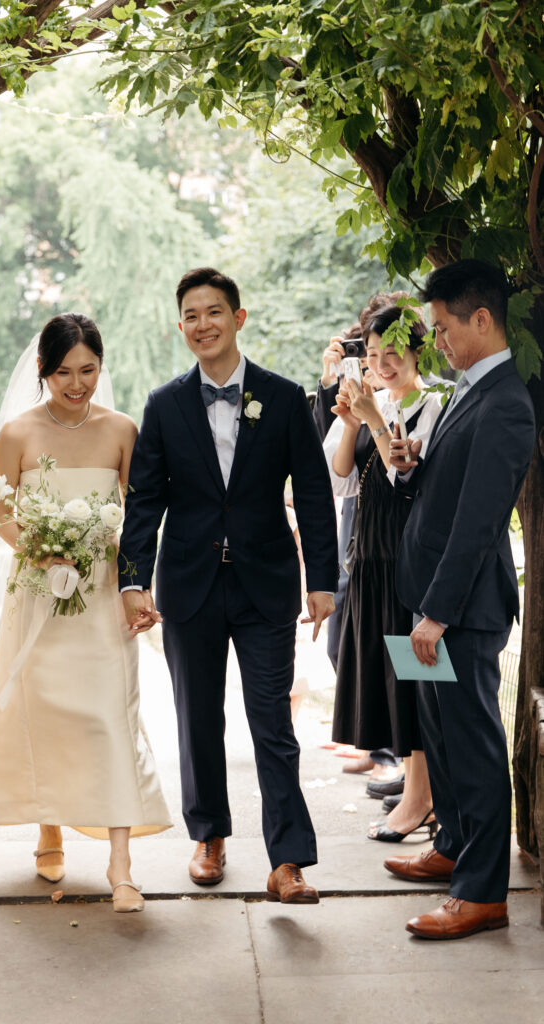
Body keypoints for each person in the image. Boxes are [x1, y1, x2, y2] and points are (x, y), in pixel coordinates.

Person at [119, 267, 338, 903]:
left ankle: (289, 860)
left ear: (238, 318)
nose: (203, 324)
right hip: (187, 586)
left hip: (266, 584)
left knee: (273, 721)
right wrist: (134, 581)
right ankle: (209, 835)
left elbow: (315, 495)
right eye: (191, 315)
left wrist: (321, 580)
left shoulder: (284, 396)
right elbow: (144, 503)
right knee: (198, 718)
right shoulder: (163, 405)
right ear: (180, 325)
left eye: (214, 312)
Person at [0, 313, 171, 913]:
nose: (77, 384)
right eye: (63, 373)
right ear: (42, 370)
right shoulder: (17, 432)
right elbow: (0, 513)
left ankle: (121, 864)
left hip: (102, 595)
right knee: (44, 714)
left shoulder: (122, 430)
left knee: (111, 717)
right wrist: (41, 548)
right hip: (38, 594)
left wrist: (136, 586)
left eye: (87, 371)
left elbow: (139, 520)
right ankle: (48, 826)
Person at [385, 259, 535, 940]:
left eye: (443, 329)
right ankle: (449, 845)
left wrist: (437, 613)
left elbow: (479, 524)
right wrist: (410, 465)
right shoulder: (466, 391)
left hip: (457, 613)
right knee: (439, 736)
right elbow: (449, 491)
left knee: (472, 742)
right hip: (425, 603)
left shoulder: (505, 402)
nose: (436, 342)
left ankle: (480, 892)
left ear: (480, 319)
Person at [323, 303, 443, 842]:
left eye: (393, 352)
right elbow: (341, 477)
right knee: (392, 681)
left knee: (417, 681)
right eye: (372, 355)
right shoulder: (380, 402)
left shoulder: (434, 403)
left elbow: (405, 480)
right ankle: (418, 790)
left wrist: (372, 418)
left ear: (418, 349)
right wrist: (351, 421)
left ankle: (422, 797)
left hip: (409, 564)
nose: (383, 363)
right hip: (372, 561)